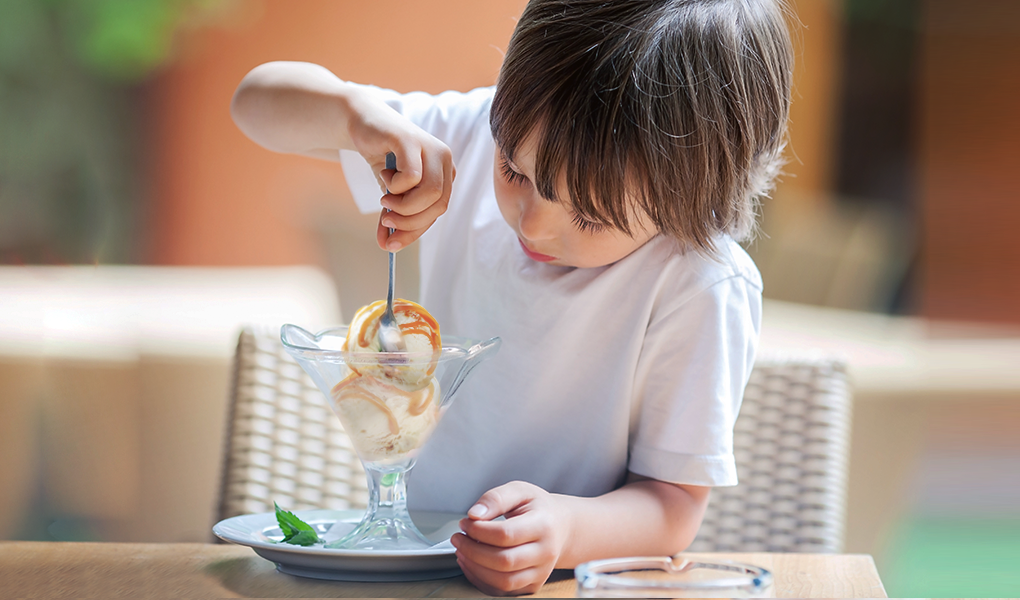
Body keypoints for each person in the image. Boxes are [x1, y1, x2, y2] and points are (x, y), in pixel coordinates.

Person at [231, 0, 793, 594]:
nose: (533, 225)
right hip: (417, 569)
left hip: (562, 585)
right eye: (514, 173)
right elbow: (254, 102)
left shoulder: (698, 283)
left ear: (691, 191)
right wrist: (354, 116)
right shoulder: (472, 138)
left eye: (590, 215)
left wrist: (566, 528)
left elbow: (673, 506)